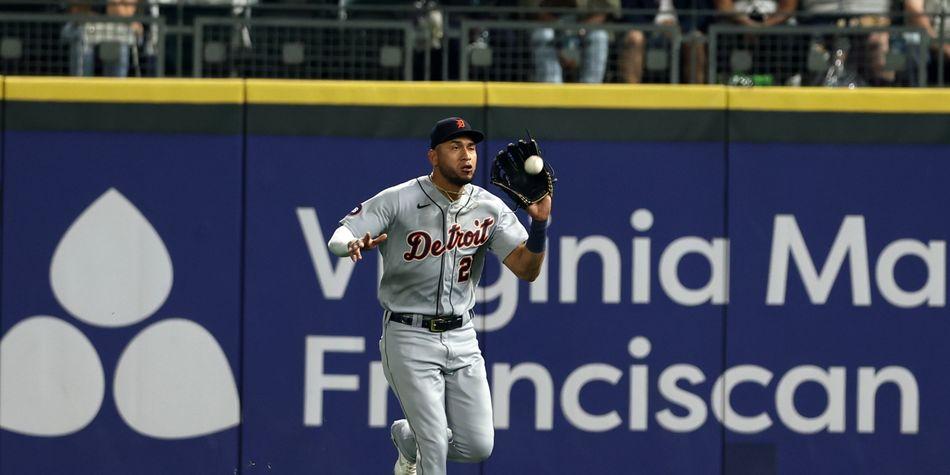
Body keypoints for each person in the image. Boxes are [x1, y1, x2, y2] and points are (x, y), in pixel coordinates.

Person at [326, 117, 552, 475]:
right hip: (408, 334)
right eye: (455, 147)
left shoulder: (488, 208)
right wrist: (350, 245)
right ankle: (420, 442)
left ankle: (406, 438)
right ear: (433, 155)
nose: (467, 156)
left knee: (478, 445)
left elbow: (527, 269)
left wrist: (539, 225)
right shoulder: (399, 199)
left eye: (472, 147)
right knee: (434, 444)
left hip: (462, 336)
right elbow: (340, 235)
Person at [523, 0, 621, 83]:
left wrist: (576, 34)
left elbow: (604, 11)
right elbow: (533, 8)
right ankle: (552, 94)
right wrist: (562, 34)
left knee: (599, 36)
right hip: (550, 25)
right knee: (544, 35)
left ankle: (590, 95)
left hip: (586, 27)